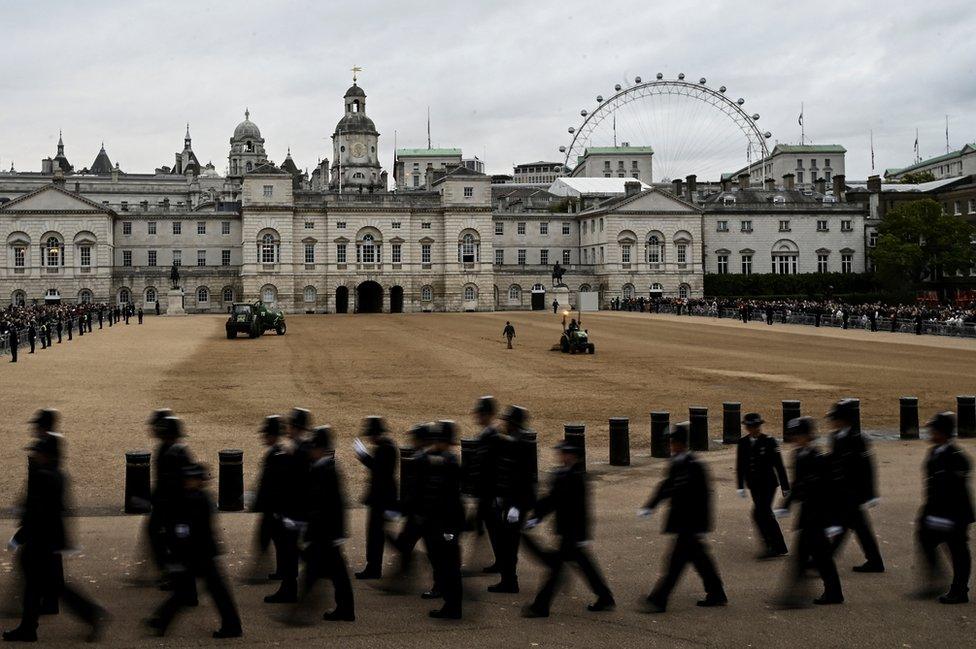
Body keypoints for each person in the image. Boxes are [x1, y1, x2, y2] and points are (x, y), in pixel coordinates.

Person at [3, 434, 108, 643]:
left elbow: (37, 513)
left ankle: (90, 615)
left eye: (38, 452)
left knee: (44, 587)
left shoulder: (44, 477)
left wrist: (19, 537)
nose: (34, 456)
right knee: (43, 587)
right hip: (49, 541)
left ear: (47, 455)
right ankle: (29, 628)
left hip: (40, 542)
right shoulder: (56, 474)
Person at [146, 461, 242, 638]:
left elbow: (186, 529)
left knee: (194, 592)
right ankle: (162, 620)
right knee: (195, 592)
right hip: (200, 553)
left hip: (199, 554)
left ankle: (162, 620)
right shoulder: (198, 497)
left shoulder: (195, 499)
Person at [639, 423, 727, 612]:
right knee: (700, 559)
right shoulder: (676, 463)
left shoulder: (695, 466)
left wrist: (701, 525)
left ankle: (658, 600)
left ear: (680, 442)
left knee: (674, 564)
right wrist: (651, 505)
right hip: (682, 523)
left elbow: (704, 497)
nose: (670, 445)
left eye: (672, 441)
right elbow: (667, 487)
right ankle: (716, 592)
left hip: (690, 524)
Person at [522, 439, 614, 618]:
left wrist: (582, 534)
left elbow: (581, 509)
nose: (561, 456)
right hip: (567, 531)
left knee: (557, 569)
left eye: (565, 453)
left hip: (571, 532)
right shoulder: (563, 475)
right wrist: (536, 517)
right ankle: (604, 596)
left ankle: (540, 606)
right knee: (584, 565)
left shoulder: (575, 477)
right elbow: (552, 500)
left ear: (573, 456)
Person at [773, 417, 843, 607]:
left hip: (819, 516)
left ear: (808, 436)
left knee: (813, 556)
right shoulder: (798, 456)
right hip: (807, 514)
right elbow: (797, 484)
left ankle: (797, 596)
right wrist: (785, 505)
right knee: (816, 557)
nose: (795, 439)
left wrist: (834, 522)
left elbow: (831, 492)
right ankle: (825, 593)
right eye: (794, 435)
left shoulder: (819, 459)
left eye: (799, 435)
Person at [915, 412, 974, 604]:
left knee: (958, 551)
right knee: (925, 539)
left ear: (943, 433)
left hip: (955, 514)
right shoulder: (935, 452)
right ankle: (936, 582)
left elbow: (955, 491)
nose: (930, 433)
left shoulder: (956, 457)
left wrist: (946, 517)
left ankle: (959, 590)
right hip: (936, 511)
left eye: (933, 429)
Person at [299, 426, 355, 622]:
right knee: (334, 572)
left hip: (325, 532)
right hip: (325, 532)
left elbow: (336, 504)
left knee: (320, 570)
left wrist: (337, 534)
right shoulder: (323, 468)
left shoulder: (327, 470)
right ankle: (344, 609)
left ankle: (302, 610)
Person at [827, 399, 884, 573]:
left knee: (846, 524)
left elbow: (868, 467)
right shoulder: (836, 437)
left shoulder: (858, 439)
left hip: (854, 491)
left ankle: (826, 559)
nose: (832, 421)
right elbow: (833, 462)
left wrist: (871, 494)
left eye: (836, 418)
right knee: (859, 527)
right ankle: (875, 561)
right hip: (842, 490)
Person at [146, 411, 195, 596]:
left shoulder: (176, 452)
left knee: (172, 541)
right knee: (160, 537)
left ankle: (174, 575)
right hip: (165, 505)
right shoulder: (168, 449)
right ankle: (171, 573)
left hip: (173, 507)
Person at [490, 405, 537, 594]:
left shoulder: (521, 444)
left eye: (507, 422)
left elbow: (524, 478)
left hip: (517, 503)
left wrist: (515, 506)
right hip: (511, 501)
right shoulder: (514, 441)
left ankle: (509, 582)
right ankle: (508, 579)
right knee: (506, 542)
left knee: (509, 544)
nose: (505, 424)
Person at [420, 421, 465, 619]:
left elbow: (450, 499)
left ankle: (453, 606)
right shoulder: (439, 459)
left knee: (449, 566)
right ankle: (449, 601)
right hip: (438, 521)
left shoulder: (450, 463)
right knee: (442, 562)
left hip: (447, 522)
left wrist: (449, 528)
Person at [251, 415, 295, 602]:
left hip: (275, 509)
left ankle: (282, 581)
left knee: (274, 542)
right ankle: (277, 571)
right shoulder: (278, 453)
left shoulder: (277, 455)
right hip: (275, 509)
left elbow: (272, 485)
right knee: (276, 542)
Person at [736, 413, 790, 559]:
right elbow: (740, 466)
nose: (754, 429)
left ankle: (771, 546)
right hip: (754, 485)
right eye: (751, 426)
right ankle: (778, 546)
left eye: (756, 426)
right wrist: (740, 485)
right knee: (764, 514)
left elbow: (779, 466)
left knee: (760, 513)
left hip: (768, 484)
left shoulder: (769, 442)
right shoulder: (743, 443)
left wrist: (785, 486)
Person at [352, 416, 397, 580]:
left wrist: (363, 456)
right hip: (382, 499)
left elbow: (379, 471)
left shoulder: (385, 448)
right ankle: (373, 567)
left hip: (381, 500)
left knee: (375, 536)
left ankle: (373, 568)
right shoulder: (386, 446)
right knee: (376, 535)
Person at [472, 396, 502, 573]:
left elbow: (493, 466)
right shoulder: (488, 434)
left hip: (490, 492)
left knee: (494, 529)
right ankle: (500, 560)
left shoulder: (492, 435)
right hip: (485, 491)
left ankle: (503, 562)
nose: (478, 416)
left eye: (481, 413)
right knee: (488, 528)